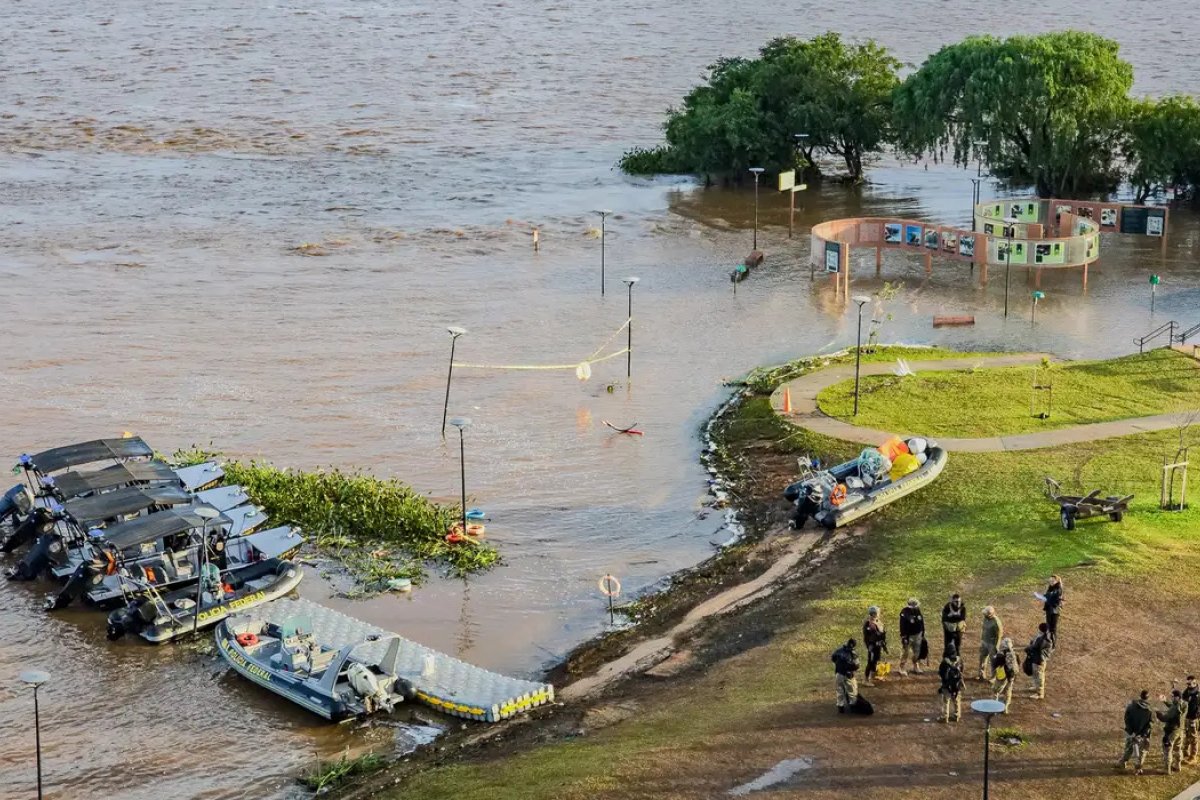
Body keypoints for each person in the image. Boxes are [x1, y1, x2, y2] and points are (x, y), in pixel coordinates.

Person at [1117, 690, 1153, 775]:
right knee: (1141, 752)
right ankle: (1137, 769)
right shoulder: (1149, 711)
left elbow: (1126, 719)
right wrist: (1142, 734)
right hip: (1142, 736)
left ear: (1140, 696)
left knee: (1129, 747)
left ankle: (1122, 762)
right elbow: (1150, 725)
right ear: (1148, 698)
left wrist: (1131, 731)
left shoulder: (1131, 706)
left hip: (1131, 733)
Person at [1160, 689, 1188, 774]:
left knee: (1167, 749)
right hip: (1180, 731)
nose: (1171, 698)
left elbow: (1164, 718)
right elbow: (1174, 707)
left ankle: (1166, 769)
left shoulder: (1175, 708)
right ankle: (1177, 766)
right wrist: (1165, 701)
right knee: (1178, 749)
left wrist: (1158, 713)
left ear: (1177, 697)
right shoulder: (1184, 704)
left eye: (1172, 696)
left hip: (1172, 731)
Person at [1025, 623, 1054, 700]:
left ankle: (1040, 693)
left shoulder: (1044, 640)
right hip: (1036, 658)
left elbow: (1035, 647)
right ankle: (1035, 687)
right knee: (1035, 674)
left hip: (1039, 660)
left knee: (1039, 677)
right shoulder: (1042, 636)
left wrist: (1028, 648)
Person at [938, 643, 965, 723]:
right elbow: (962, 670)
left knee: (946, 700)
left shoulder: (945, 662)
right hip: (957, 684)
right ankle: (957, 715)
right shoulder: (959, 660)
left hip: (947, 685)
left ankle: (944, 717)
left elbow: (942, 674)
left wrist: (944, 684)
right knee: (956, 699)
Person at [832, 638, 860, 714]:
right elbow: (857, 666)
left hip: (839, 673)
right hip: (848, 675)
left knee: (839, 690)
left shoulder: (839, 651)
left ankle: (840, 707)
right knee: (852, 691)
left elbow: (833, 658)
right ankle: (852, 707)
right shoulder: (853, 654)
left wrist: (839, 665)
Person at [898, 598, 925, 676]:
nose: (916, 607)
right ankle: (901, 667)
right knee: (905, 653)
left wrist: (922, 633)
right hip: (908, 636)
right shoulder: (904, 613)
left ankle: (915, 665)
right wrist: (904, 637)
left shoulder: (918, 610)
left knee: (917, 652)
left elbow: (921, 622)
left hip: (918, 635)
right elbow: (902, 626)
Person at [991, 638, 1018, 713]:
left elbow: (995, 664)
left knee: (996, 690)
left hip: (1002, 676)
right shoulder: (1014, 654)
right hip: (1011, 676)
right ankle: (1005, 708)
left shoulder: (1001, 655)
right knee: (1008, 691)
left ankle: (994, 707)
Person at [862, 606, 887, 687]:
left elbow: (882, 633)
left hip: (878, 645)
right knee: (870, 662)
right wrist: (869, 646)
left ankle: (874, 675)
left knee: (877, 660)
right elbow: (866, 637)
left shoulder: (878, 622)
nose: (877, 614)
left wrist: (883, 642)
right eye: (875, 613)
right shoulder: (868, 623)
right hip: (872, 646)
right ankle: (866, 679)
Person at [978, 606, 1002, 681]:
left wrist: (996, 646)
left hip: (992, 644)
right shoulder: (985, 619)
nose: (984, 615)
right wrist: (982, 640)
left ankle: (993, 678)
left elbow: (999, 635)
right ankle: (981, 675)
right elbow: (984, 629)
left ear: (990, 614)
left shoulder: (996, 622)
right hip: (985, 641)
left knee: (993, 661)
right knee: (982, 658)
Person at [1184, 676, 1200, 764]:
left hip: (1193, 719)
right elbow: (1183, 699)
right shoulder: (1187, 691)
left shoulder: (1198, 694)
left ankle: (1193, 756)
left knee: (1193, 738)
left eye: (1190, 684)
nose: (1188, 685)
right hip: (1187, 717)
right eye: (1187, 683)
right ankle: (1185, 752)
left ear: (1194, 682)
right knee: (1187, 735)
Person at [1043, 575, 1063, 644]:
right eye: (1049, 581)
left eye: (1052, 581)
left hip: (1055, 611)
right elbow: (1047, 595)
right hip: (1049, 609)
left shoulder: (1058, 589)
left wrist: (1046, 595)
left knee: (1053, 628)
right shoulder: (1050, 587)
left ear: (1056, 581)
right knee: (1048, 626)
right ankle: (1048, 642)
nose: (1050, 582)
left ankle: (1053, 644)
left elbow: (1050, 595)